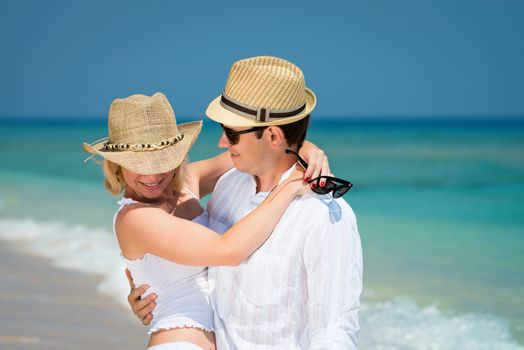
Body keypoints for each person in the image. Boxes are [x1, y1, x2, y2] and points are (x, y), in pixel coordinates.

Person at [128, 56, 363, 349]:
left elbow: (334, 333)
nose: (222, 143)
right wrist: (160, 293)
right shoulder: (228, 185)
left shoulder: (323, 215)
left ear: (274, 135)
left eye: (231, 133)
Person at [83, 92, 328, 350]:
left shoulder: (187, 185)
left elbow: (262, 150)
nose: (152, 174)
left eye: (162, 160)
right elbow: (228, 250)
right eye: (138, 163)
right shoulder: (134, 218)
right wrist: (290, 187)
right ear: (117, 164)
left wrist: (308, 149)